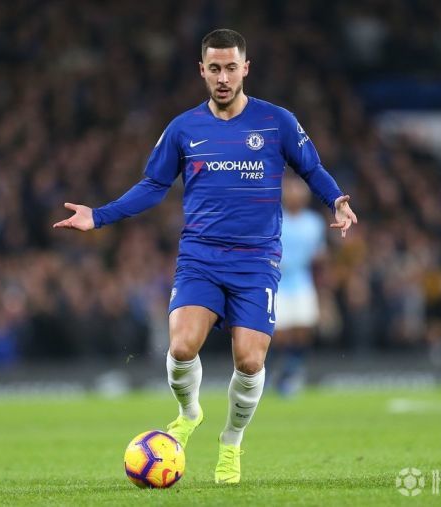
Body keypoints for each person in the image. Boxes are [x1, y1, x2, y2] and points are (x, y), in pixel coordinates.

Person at [54, 28, 357, 484]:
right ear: (202, 70)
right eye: (214, 68)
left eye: (231, 67)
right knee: (180, 346)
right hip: (201, 258)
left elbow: (310, 168)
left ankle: (231, 442)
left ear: (245, 68)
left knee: (250, 361)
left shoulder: (276, 122)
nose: (223, 77)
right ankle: (189, 412)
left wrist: (336, 200)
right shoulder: (183, 128)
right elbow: (153, 185)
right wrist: (99, 216)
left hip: (256, 262)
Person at [270, 176, 327, 396]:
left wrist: (323, 290)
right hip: (277, 282)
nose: (295, 196)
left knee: (303, 330)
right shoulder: (274, 219)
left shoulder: (314, 223)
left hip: (302, 282)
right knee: (279, 334)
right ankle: (273, 372)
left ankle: (292, 373)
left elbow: (319, 256)